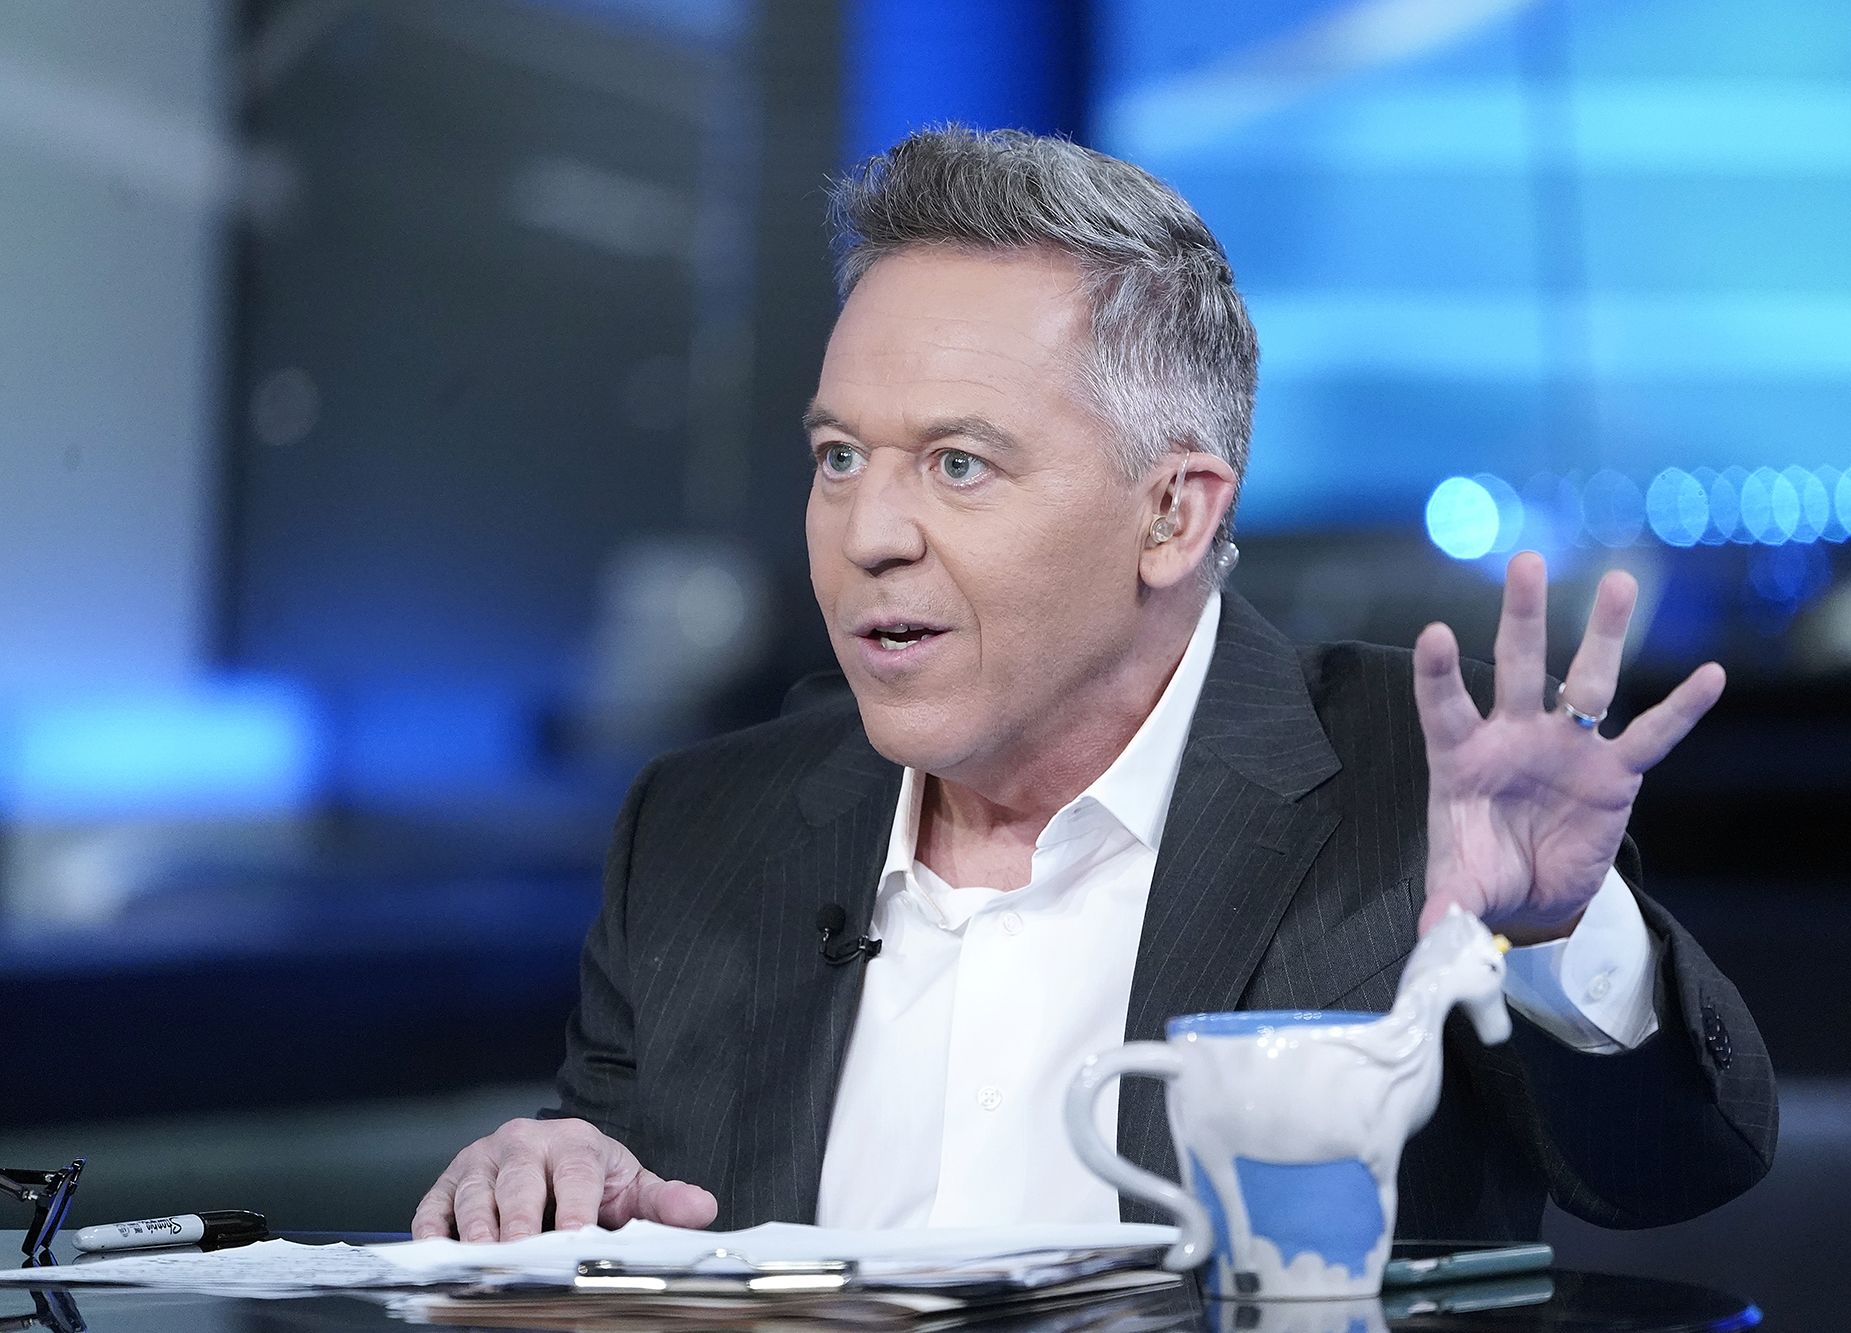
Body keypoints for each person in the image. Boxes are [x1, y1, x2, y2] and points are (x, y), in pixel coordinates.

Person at [413, 127, 1775, 1243]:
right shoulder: (703, 832)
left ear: (1173, 515)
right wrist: (555, 1183)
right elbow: (614, 1209)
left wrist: (1557, 931)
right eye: (839, 457)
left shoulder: (1408, 785)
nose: (868, 532)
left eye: (957, 464)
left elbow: (1672, 1169)